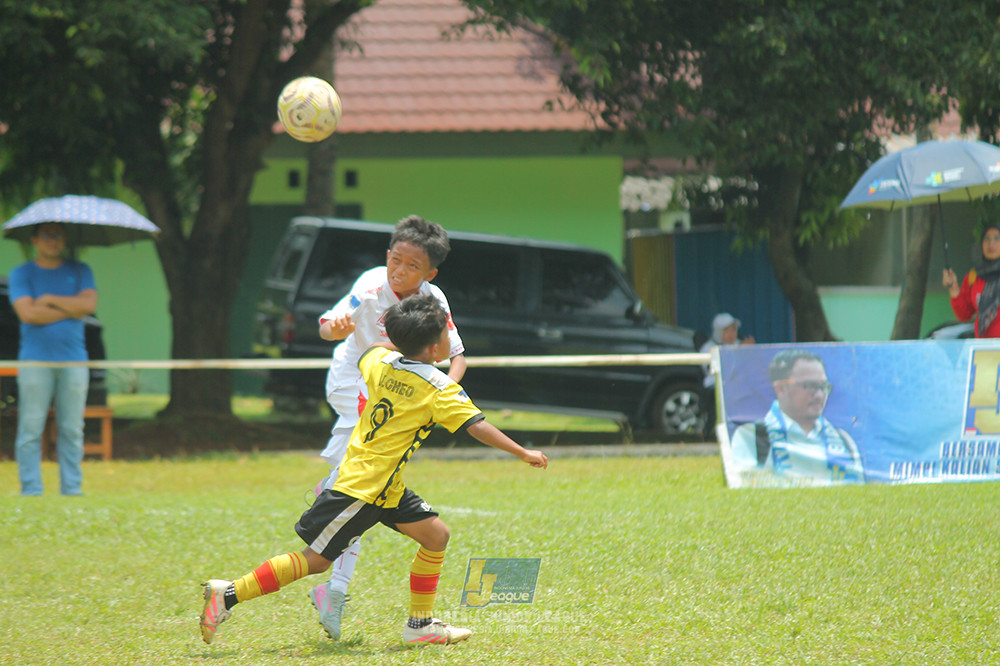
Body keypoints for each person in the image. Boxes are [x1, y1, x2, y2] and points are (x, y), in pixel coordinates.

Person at [199, 294, 547, 647]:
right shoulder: (439, 389)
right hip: (362, 489)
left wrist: (397, 337)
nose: (449, 339)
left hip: (385, 485)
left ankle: (420, 627)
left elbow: (373, 348)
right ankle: (227, 594)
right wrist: (522, 451)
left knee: (436, 535)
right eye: (445, 333)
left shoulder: (380, 361)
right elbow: (477, 426)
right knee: (316, 562)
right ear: (433, 346)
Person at [308, 214, 467, 638]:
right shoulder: (369, 286)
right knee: (359, 487)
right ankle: (335, 586)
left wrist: (438, 394)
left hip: (395, 387)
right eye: (396, 260)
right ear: (387, 257)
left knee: (359, 488)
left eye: (412, 266)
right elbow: (327, 326)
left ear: (430, 273)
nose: (400, 271)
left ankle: (334, 589)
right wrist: (335, 327)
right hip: (353, 381)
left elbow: (456, 357)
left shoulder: (435, 300)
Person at [8, 222, 98, 496]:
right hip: (35, 360)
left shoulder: (81, 270)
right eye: (47, 235)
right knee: (31, 426)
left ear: (65, 239)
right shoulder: (22, 274)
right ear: (35, 240)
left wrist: (48, 300)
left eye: (58, 235)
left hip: (74, 360)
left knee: (72, 427)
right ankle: (31, 489)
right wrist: (70, 308)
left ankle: (72, 489)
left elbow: (89, 306)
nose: (53, 240)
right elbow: (29, 315)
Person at [729, 348, 862, 484]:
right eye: (809, 386)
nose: (819, 395)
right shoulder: (751, 437)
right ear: (781, 389)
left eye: (823, 386)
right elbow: (744, 488)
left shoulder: (843, 441)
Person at [942, 222, 1000, 338]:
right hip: (983, 349)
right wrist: (953, 289)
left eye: (996, 238)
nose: (991, 243)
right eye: (986, 239)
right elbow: (964, 314)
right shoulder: (973, 276)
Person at [700, 312, 754, 390]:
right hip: (716, 387)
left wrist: (750, 350)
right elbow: (717, 370)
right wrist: (740, 350)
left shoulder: (740, 343)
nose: (731, 333)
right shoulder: (708, 347)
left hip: (741, 386)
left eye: (733, 329)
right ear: (718, 332)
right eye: (726, 330)